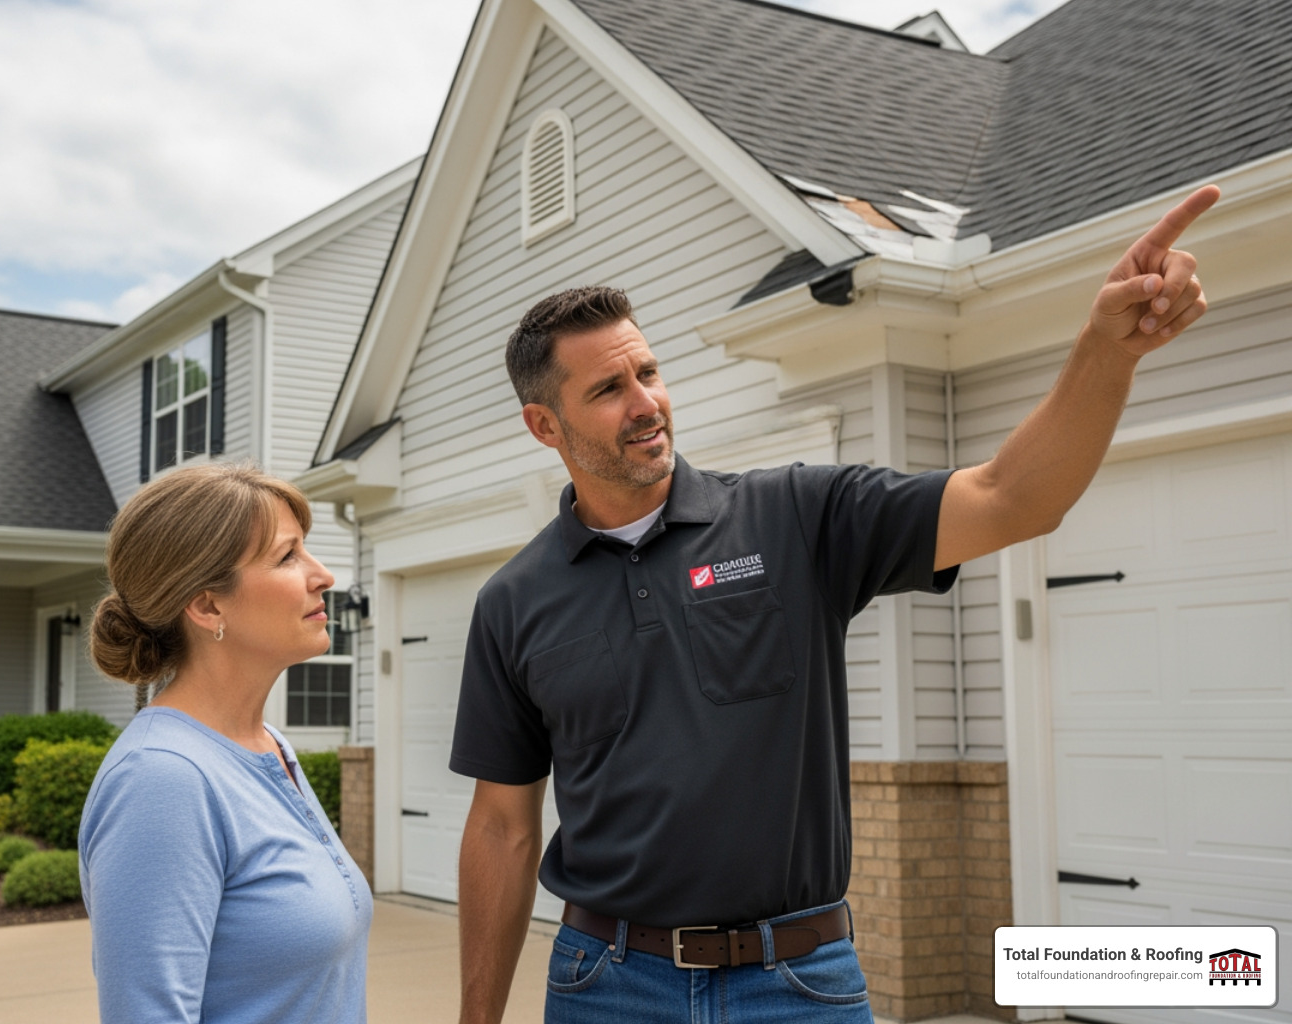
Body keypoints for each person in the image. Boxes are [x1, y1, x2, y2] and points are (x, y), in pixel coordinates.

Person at [451, 187, 1220, 1024]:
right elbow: (502, 829)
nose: (646, 403)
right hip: (609, 986)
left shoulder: (794, 516)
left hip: (797, 984)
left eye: (650, 372)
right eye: (608, 388)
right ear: (545, 425)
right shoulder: (514, 603)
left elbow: (1013, 499)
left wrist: (1108, 351)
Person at [79, 463, 371, 1024]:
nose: (324, 575)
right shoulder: (162, 779)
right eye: (287, 557)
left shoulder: (268, 746)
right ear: (208, 606)